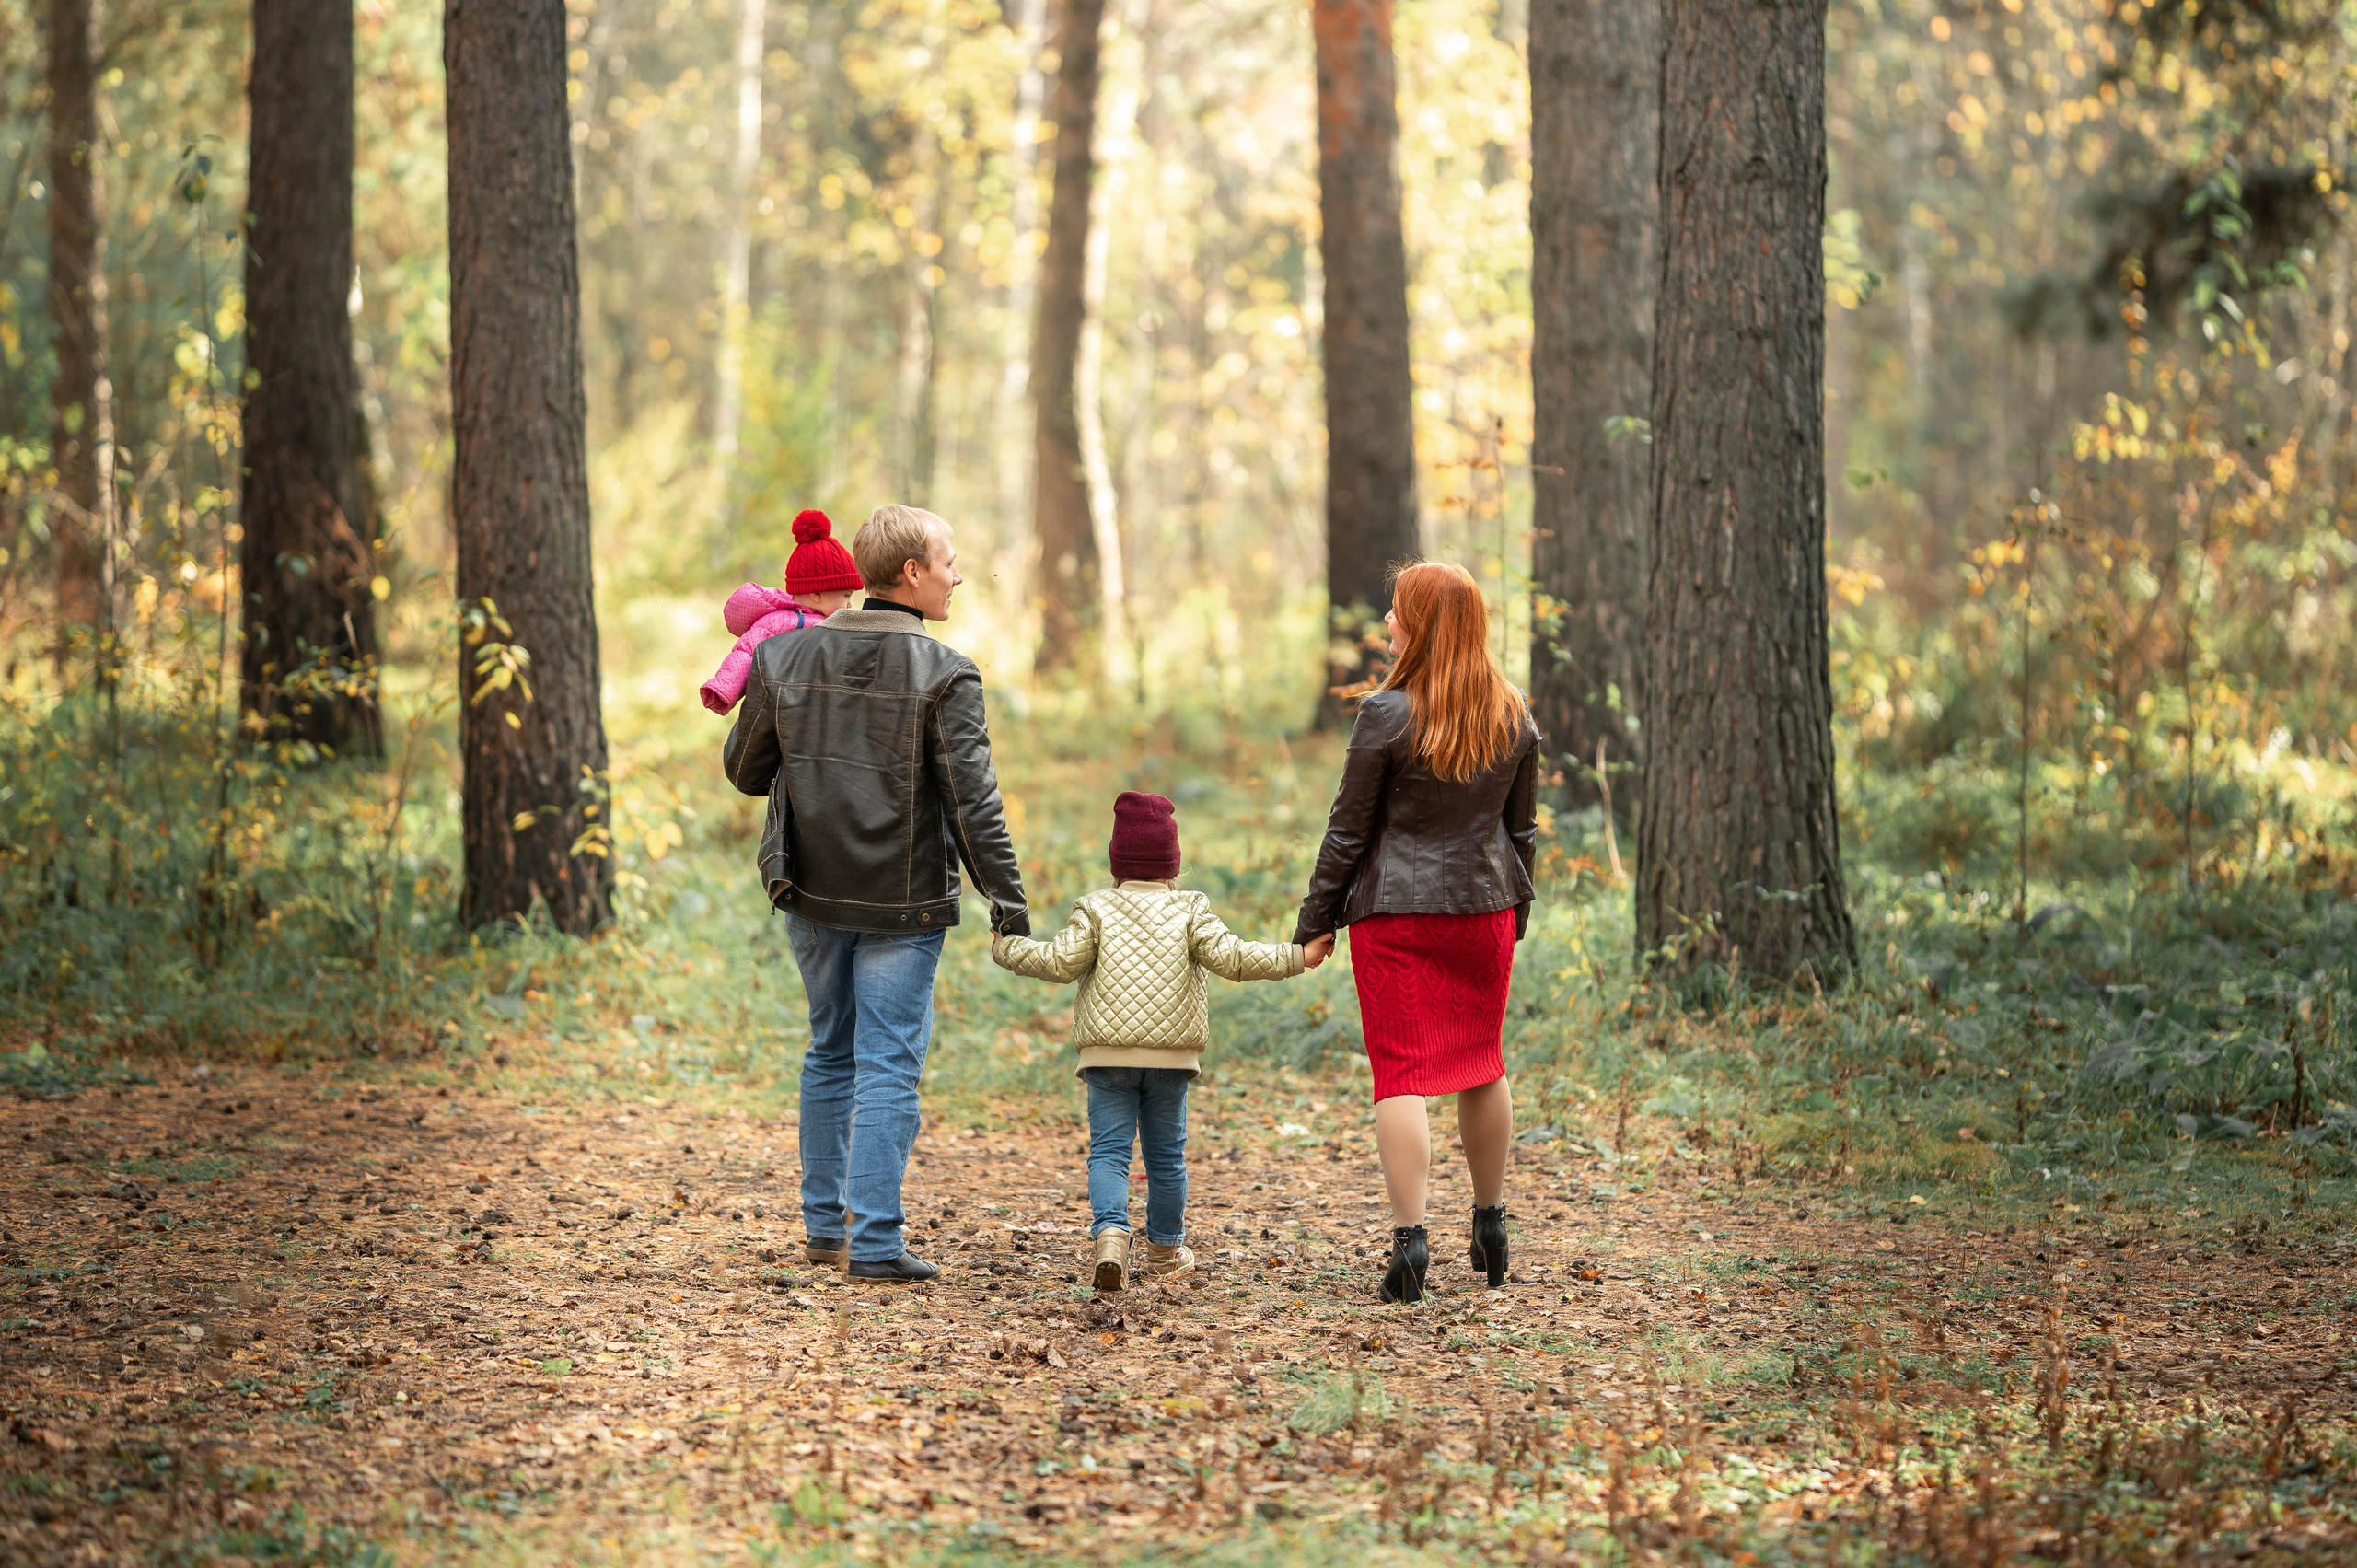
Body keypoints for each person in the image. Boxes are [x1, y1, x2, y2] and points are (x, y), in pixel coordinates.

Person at [724, 504, 1029, 1283]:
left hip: (812, 890)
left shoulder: (786, 657)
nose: (960, 574)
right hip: (902, 901)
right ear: (912, 573)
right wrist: (1009, 901)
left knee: (831, 1050)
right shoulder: (947, 672)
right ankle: (877, 1241)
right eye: (949, 559)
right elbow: (973, 803)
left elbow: (746, 770)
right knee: (888, 1062)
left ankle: (828, 1229)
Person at [1294, 561, 1538, 1303]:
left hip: (1396, 917)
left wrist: (1316, 923)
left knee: (1402, 1072)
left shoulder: (1386, 713)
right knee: (1481, 1062)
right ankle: (1491, 1225)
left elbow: (1346, 831)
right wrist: (1513, 919)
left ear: (1425, 623)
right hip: (1483, 913)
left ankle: (1411, 1242)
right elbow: (1520, 831)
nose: (1389, 623)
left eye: (1399, 612)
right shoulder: (1513, 711)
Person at [992, 792, 1334, 1292]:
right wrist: (1296, 956)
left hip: (1107, 1057)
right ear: (1172, 864)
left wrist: (1007, 948)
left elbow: (1058, 961)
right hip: (1172, 1059)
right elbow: (1235, 957)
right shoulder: (1192, 910)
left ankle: (1110, 1234)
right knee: (1166, 1159)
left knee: (1109, 1153)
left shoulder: (1095, 909)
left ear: (1116, 861)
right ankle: (1162, 1251)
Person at [700, 509, 864, 714]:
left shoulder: (838, 624)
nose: (850, 604)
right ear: (817, 593)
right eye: (846, 596)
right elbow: (747, 652)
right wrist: (724, 688)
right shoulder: (780, 622)